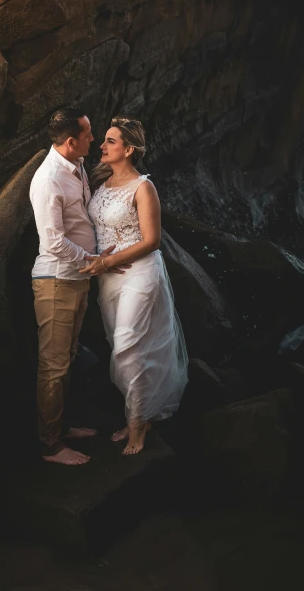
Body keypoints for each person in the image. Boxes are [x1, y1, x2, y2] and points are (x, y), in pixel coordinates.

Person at [81, 118, 188, 455]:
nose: (102, 145)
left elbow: (153, 240)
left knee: (127, 344)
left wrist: (107, 262)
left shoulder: (144, 188)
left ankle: (137, 424)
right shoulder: (102, 184)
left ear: (128, 150)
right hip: (108, 278)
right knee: (121, 346)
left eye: (110, 141)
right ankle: (138, 413)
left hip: (139, 273)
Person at [29, 106, 124, 466]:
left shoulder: (77, 166)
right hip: (56, 282)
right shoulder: (49, 179)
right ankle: (50, 446)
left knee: (66, 360)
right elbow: (53, 242)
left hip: (76, 280)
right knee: (53, 365)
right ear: (71, 142)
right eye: (87, 135)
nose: (93, 139)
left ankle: (62, 426)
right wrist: (94, 262)